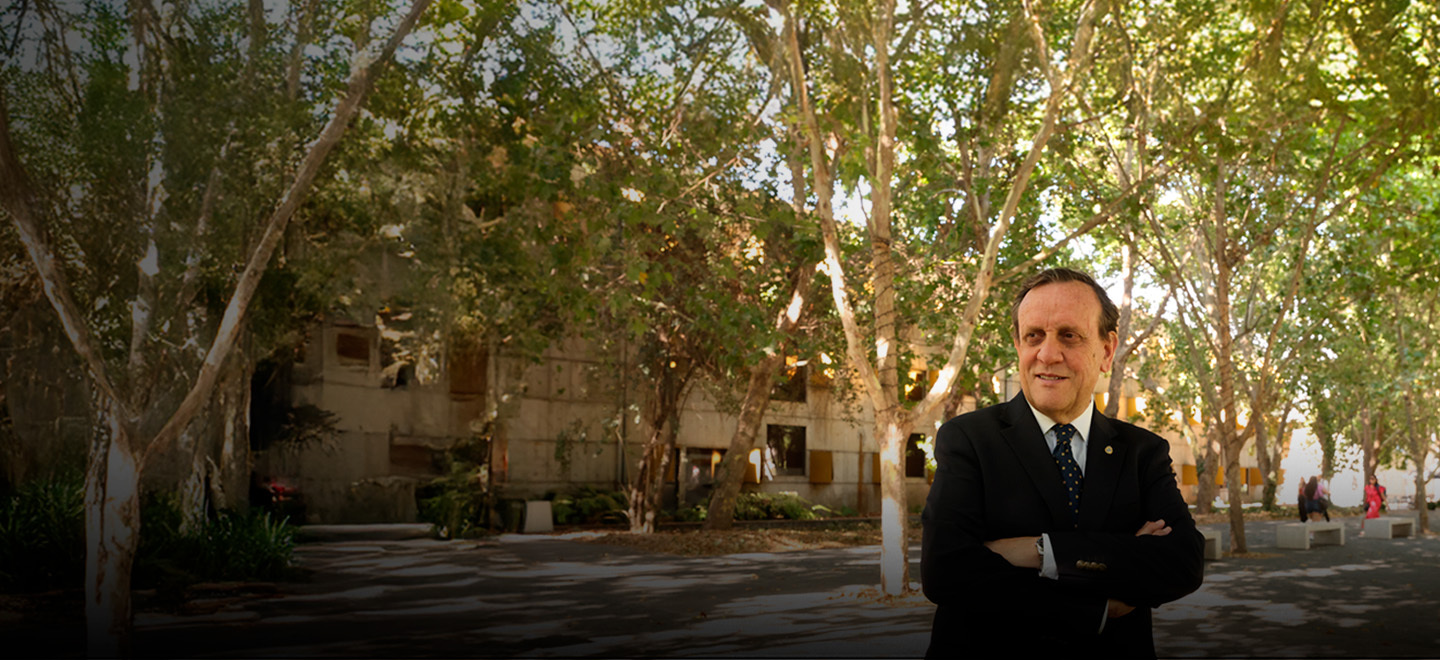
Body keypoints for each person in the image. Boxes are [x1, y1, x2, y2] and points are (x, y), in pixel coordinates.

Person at [921, 268, 1205, 659]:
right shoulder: (968, 439)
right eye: (1033, 335)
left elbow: (1182, 563)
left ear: (1106, 352)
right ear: (1018, 345)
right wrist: (1098, 607)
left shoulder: (1143, 452)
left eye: (1069, 336)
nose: (1047, 354)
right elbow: (947, 572)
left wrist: (1043, 551)